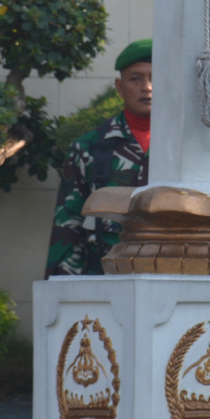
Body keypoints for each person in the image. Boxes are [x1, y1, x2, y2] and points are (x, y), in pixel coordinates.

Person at [45, 38, 152, 277]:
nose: (147, 87)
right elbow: (68, 225)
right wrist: (63, 298)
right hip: (105, 281)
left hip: (171, 276)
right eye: (136, 78)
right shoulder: (88, 149)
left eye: (156, 78)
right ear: (119, 86)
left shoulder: (187, 150)